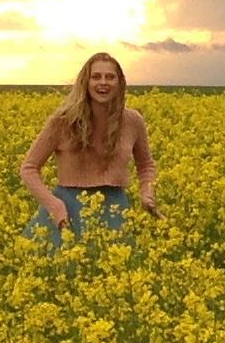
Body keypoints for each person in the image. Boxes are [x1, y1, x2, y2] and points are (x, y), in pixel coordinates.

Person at [20, 51, 159, 248]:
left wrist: (147, 193)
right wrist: (54, 206)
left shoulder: (133, 121)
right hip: (67, 210)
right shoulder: (62, 121)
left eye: (110, 77)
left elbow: (145, 166)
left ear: (120, 83)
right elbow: (29, 168)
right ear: (85, 82)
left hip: (115, 210)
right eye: (96, 77)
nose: (103, 82)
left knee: (113, 275)